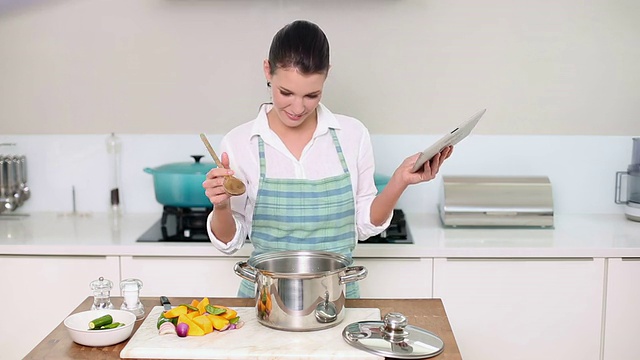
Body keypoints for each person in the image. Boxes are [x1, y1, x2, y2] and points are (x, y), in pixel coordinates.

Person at [203, 20, 453, 298]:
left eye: (312, 95)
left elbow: (364, 225)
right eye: (286, 93)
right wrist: (222, 207)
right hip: (264, 302)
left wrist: (399, 181)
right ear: (267, 71)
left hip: (337, 299)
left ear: (326, 76)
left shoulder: (352, 134)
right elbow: (229, 242)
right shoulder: (240, 142)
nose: (298, 108)